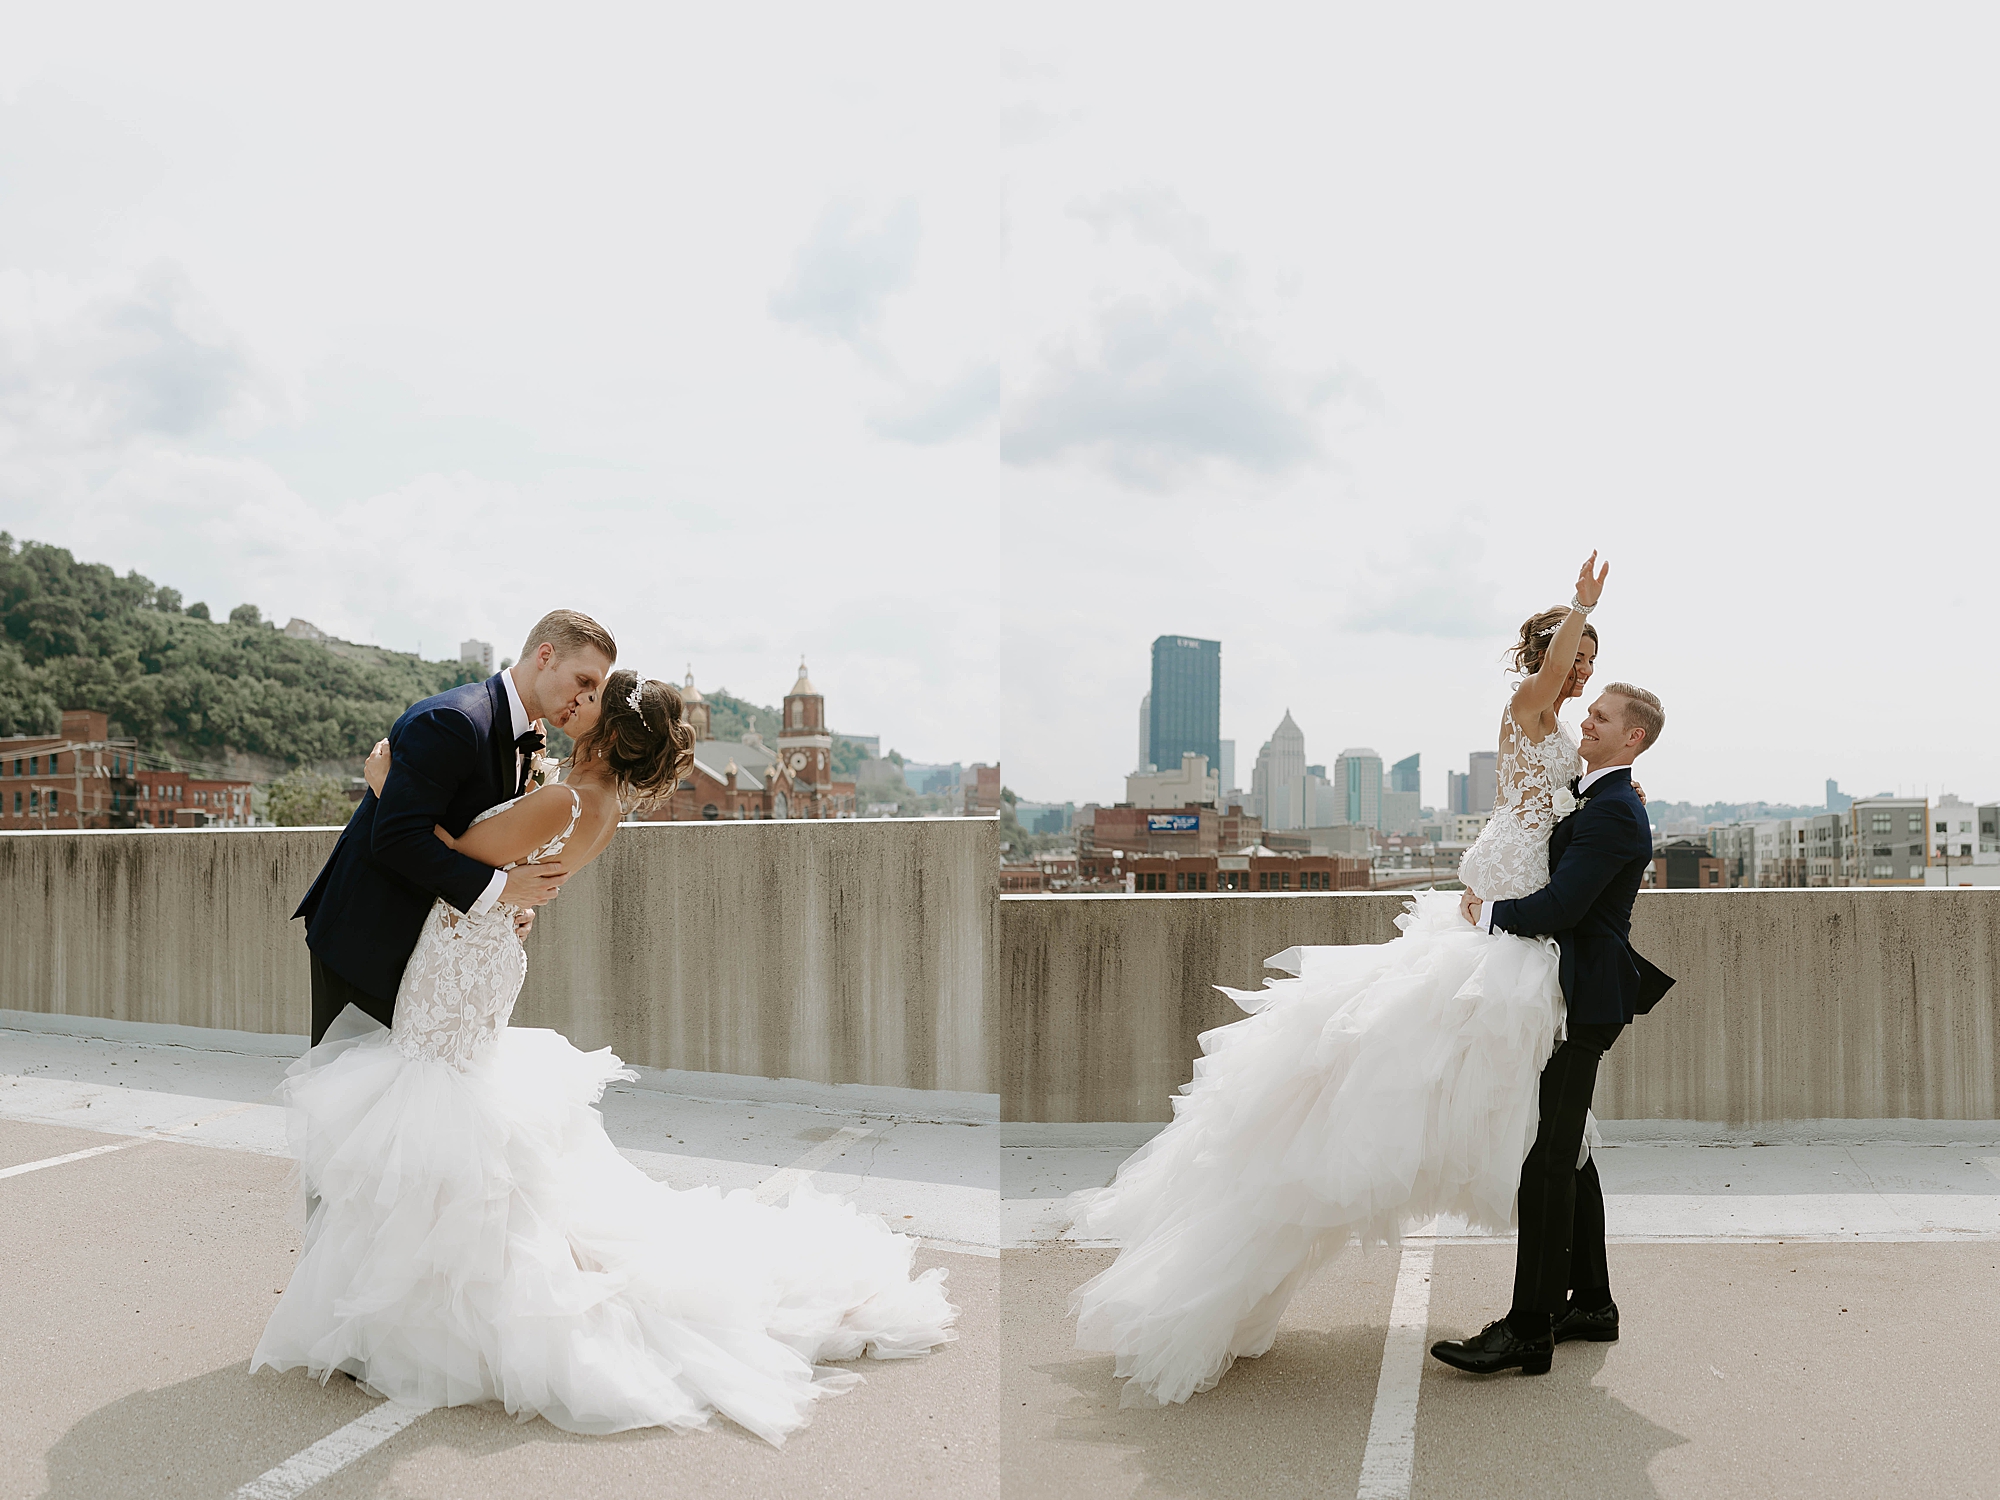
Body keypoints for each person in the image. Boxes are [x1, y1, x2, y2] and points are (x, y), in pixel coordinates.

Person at [253, 669, 957, 1443]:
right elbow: (510, 879)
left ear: (611, 731)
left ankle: (403, 1305)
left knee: (432, 1116)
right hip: (482, 958)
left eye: (592, 696)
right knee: (452, 1122)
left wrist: (386, 789)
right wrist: (511, 890)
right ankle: (397, 1291)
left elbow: (458, 855)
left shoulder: (563, 799)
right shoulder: (605, 808)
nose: (575, 704)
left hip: (458, 963)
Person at [1067, 554, 1623, 1408]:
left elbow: (1566, 815)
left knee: (1551, 1119)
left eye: (1590, 660)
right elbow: (1552, 687)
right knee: (1425, 1087)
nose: (1585, 671)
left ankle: (1583, 1297)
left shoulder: (1564, 741)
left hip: (1518, 923)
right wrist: (1582, 605)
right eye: (1578, 656)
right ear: (1551, 655)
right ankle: (1558, 1301)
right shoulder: (1528, 706)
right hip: (1497, 923)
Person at [1429, 680, 1673, 1376]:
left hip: (1581, 1001)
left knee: (1544, 1161)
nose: (1586, 720)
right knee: (1571, 1151)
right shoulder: (1600, 798)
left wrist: (1484, 915)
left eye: (1601, 716)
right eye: (1588, 710)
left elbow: (1563, 904)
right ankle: (1591, 1303)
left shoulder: (1617, 812)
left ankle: (1529, 1326)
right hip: (1569, 992)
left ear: (1633, 738)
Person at [294, 610, 616, 1043]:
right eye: (584, 681)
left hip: (435, 953)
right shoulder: (454, 720)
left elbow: (489, 839)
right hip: (370, 937)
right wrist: (501, 890)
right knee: (350, 1096)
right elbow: (396, 837)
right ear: (546, 656)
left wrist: (510, 904)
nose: (586, 699)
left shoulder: (529, 736)